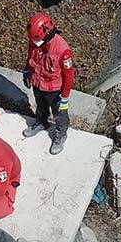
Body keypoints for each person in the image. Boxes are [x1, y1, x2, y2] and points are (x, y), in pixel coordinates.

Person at [22, 11, 74, 155]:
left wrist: (65, 97)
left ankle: (61, 134)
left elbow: (69, 75)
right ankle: (41, 122)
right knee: (41, 106)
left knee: (60, 115)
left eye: (37, 40)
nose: (34, 43)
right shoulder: (35, 40)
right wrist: (27, 71)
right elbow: (30, 56)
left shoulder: (62, 50)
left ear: (48, 33)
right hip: (38, 83)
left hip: (55, 89)